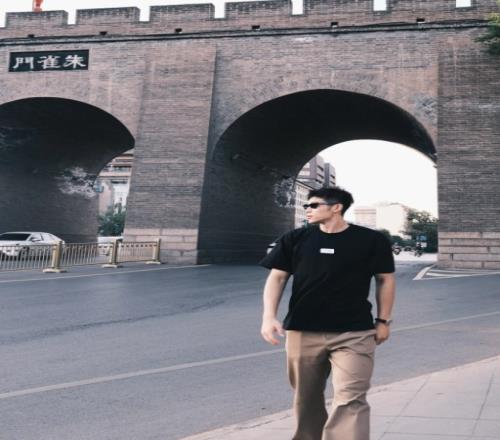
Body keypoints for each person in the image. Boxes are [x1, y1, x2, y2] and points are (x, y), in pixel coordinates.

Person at [260, 186, 395, 440]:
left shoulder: (371, 240)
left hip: (354, 332)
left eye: (313, 205)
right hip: (302, 331)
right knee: (306, 397)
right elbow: (277, 278)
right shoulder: (295, 239)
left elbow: (385, 279)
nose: (307, 210)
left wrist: (383, 320)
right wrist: (268, 317)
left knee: (351, 397)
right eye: (306, 206)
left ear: (336, 207)